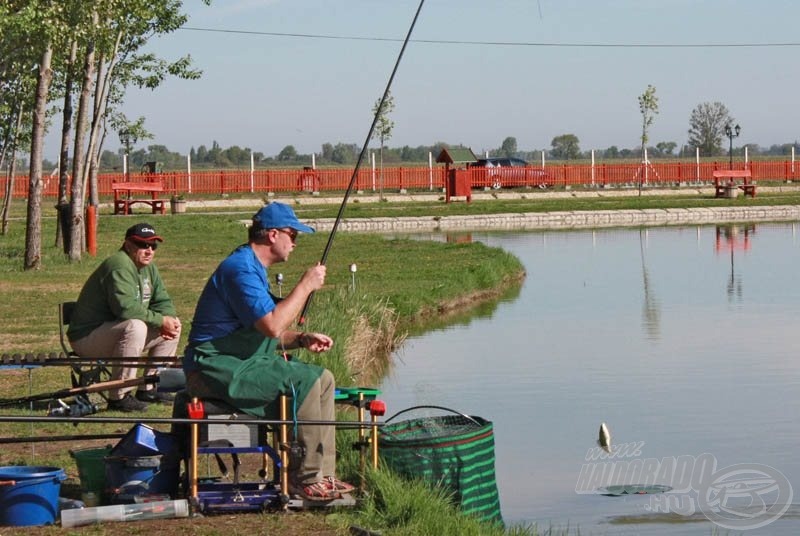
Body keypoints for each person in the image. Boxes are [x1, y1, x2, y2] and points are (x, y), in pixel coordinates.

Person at [184, 202, 354, 501]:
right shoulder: (240, 270)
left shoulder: (252, 268)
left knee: (324, 378)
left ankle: (322, 474)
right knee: (305, 380)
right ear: (272, 235)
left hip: (242, 361)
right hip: (213, 368)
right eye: (293, 234)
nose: (295, 243)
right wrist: (305, 285)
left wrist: (301, 338)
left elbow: (265, 332)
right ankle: (304, 478)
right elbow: (273, 325)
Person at [68, 223, 182, 412]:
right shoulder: (119, 265)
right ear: (128, 245)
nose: (149, 251)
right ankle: (119, 396)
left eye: (153, 246)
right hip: (86, 338)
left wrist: (168, 318)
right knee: (136, 326)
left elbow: (162, 300)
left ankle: (150, 387)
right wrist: (160, 320)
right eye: (142, 245)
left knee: (174, 326)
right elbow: (126, 309)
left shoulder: (149, 269)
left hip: (114, 334)